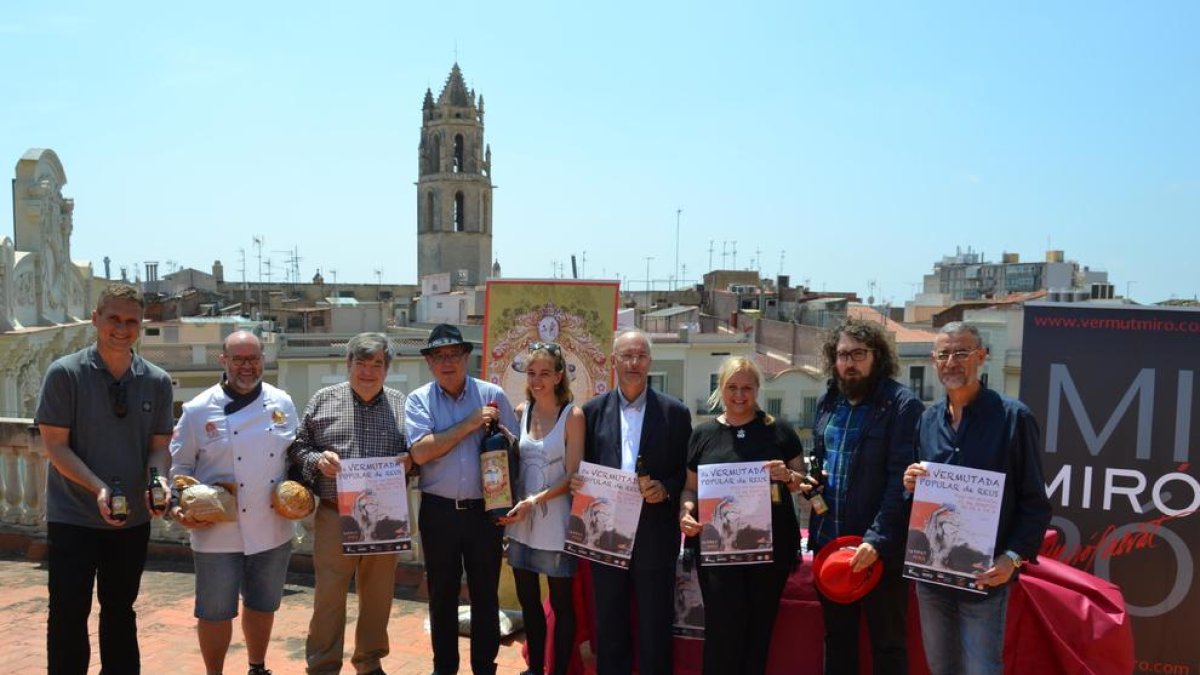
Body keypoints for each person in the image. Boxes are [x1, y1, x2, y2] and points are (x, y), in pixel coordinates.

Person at [36, 282, 174, 674]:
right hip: (73, 516)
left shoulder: (157, 381)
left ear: (140, 324)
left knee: (119, 610)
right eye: (113, 318)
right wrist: (98, 488)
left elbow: (159, 448)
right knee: (67, 610)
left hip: (131, 520)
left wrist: (157, 481)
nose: (121, 328)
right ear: (96, 318)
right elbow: (56, 447)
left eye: (131, 321)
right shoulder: (65, 374)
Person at [903, 322, 1052, 675]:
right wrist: (909, 485)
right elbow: (918, 501)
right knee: (941, 668)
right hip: (932, 577)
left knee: (982, 669)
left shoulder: (1014, 418)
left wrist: (1012, 558)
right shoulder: (927, 421)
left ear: (981, 357)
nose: (951, 362)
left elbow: (1035, 503)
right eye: (943, 354)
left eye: (961, 353)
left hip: (984, 577)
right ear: (933, 361)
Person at [169, 330, 298, 675]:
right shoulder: (198, 410)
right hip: (217, 528)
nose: (247, 366)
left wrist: (302, 491)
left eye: (253, 358)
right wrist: (180, 506)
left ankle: (257, 667)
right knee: (214, 611)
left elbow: (294, 459)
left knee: (262, 604)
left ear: (263, 360)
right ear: (222, 360)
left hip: (271, 525)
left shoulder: (282, 402)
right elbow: (179, 467)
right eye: (238, 359)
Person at [806, 319, 924, 675]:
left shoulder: (902, 405)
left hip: (879, 553)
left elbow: (900, 485)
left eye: (859, 354)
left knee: (887, 647)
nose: (850, 363)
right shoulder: (828, 400)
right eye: (843, 354)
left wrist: (877, 540)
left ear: (877, 357)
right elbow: (821, 460)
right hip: (832, 546)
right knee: (837, 643)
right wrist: (811, 484)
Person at [287, 332, 409, 675]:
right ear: (348, 364)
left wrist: (408, 460)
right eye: (361, 363)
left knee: (378, 595)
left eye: (376, 364)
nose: (368, 371)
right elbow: (298, 446)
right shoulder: (323, 399)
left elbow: (415, 452)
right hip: (333, 514)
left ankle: (369, 662)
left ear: (386, 369)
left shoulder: (401, 404)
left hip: (384, 517)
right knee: (328, 596)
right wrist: (316, 461)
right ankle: (323, 665)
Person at [679, 356, 805, 675]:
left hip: (769, 551)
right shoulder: (702, 434)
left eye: (746, 388)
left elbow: (802, 485)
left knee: (758, 634)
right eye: (732, 387)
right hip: (718, 549)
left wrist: (787, 476)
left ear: (757, 389)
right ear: (720, 389)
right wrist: (687, 512)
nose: (739, 395)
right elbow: (689, 490)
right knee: (722, 633)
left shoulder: (780, 432)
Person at [404, 324, 518, 675]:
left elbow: (515, 452)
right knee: (442, 596)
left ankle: (485, 667)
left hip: (486, 512)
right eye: (439, 356)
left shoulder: (493, 394)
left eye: (453, 354)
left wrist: (510, 503)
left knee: (486, 595)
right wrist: (471, 423)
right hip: (439, 512)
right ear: (429, 363)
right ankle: (445, 668)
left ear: (467, 357)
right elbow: (421, 453)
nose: (447, 362)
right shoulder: (419, 400)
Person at [578, 329, 691, 675]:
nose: (633, 363)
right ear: (613, 361)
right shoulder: (591, 412)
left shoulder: (676, 413)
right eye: (626, 356)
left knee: (655, 627)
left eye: (640, 356)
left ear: (650, 362)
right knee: (610, 624)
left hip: (655, 534)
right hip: (607, 535)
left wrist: (666, 488)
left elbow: (685, 472)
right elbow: (582, 468)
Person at [501, 342, 584, 675]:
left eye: (545, 373)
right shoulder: (522, 412)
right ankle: (536, 667)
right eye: (532, 373)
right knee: (528, 601)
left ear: (559, 376)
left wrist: (534, 501)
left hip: (555, 523)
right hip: (521, 523)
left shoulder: (572, 415)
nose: (537, 380)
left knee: (562, 605)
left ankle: (558, 670)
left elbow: (572, 474)